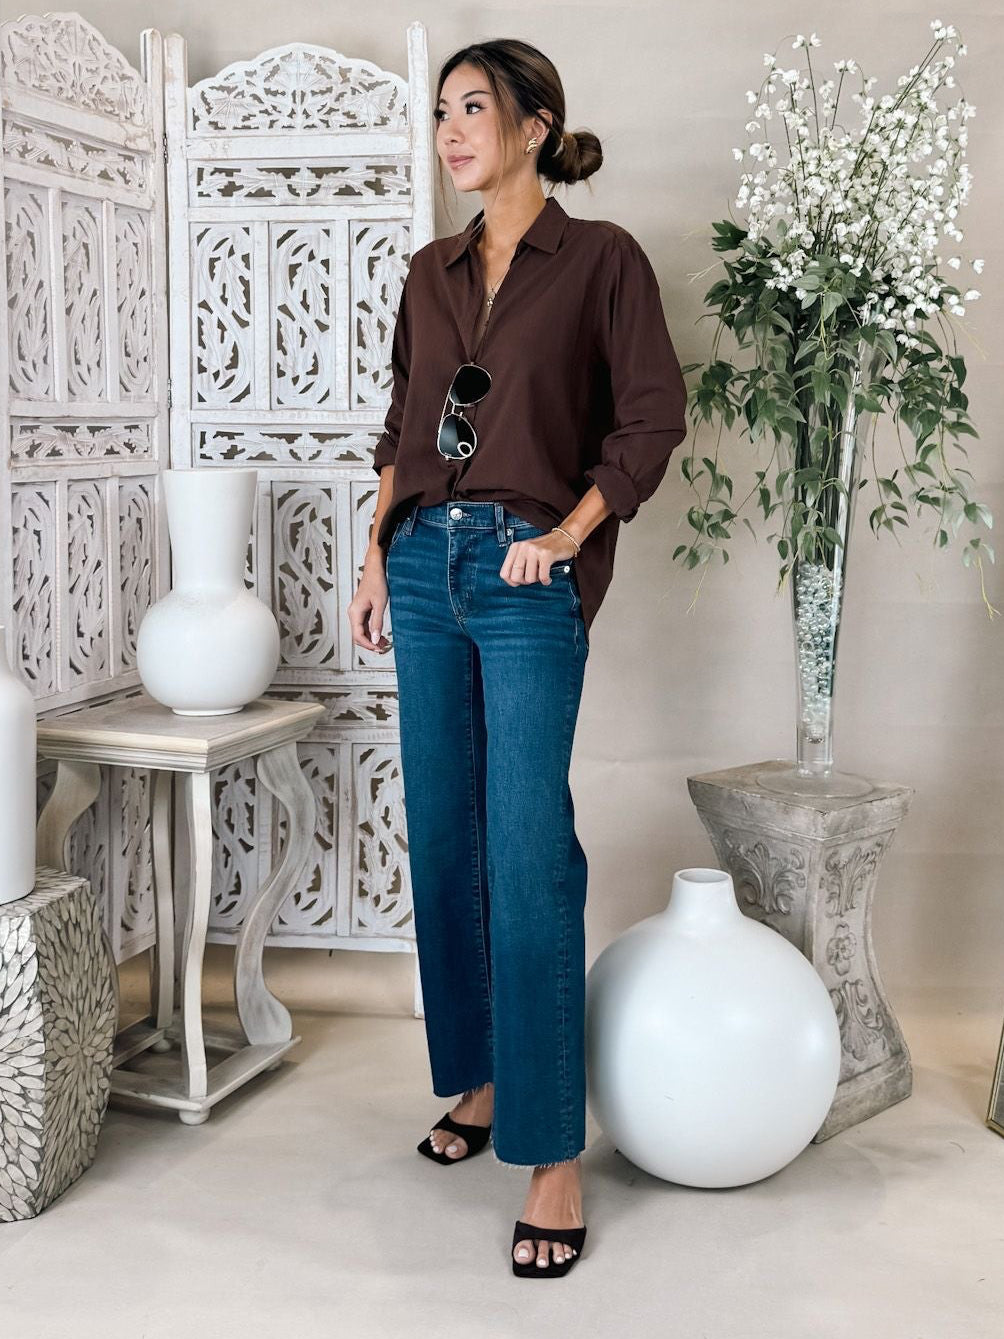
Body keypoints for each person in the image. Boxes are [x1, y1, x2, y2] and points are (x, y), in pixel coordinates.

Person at [348, 37, 687, 1278]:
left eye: (472, 109)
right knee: (446, 836)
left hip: (522, 570)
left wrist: (568, 535)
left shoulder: (601, 261)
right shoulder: (426, 273)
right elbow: (402, 423)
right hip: (421, 566)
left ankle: (550, 1154)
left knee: (528, 847)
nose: (450, 132)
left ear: (534, 125)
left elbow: (648, 417)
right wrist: (374, 557)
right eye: (440, 112)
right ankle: (483, 1080)